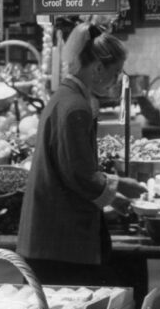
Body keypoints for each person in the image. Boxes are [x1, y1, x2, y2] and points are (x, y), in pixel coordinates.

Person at [17, 22, 146, 285]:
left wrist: (114, 198)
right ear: (98, 68)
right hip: (60, 239)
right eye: (116, 72)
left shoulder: (64, 97)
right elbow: (79, 174)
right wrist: (122, 185)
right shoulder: (75, 107)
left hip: (48, 234)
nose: (116, 80)